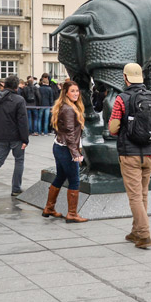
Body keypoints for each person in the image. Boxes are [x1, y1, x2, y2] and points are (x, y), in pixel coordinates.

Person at [108, 63, 151, 249]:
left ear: (125, 77)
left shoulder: (122, 98)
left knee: (134, 197)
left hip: (129, 154)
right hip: (150, 153)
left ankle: (144, 235)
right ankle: (136, 231)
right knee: (143, 193)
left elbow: (113, 128)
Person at [42, 80, 86, 222]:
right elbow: (69, 133)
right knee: (74, 181)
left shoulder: (65, 106)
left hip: (60, 146)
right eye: (72, 91)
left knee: (60, 177)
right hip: (66, 149)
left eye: (77, 91)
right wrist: (76, 154)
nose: (75, 93)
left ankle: (49, 208)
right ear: (66, 92)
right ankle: (72, 214)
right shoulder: (68, 109)